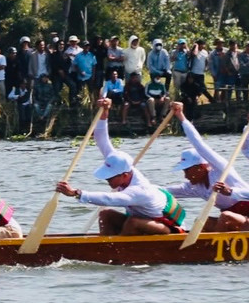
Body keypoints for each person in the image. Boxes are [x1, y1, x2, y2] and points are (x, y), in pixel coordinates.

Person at [56, 98, 187, 236]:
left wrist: (76, 193)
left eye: (110, 177)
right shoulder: (119, 164)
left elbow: (109, 199)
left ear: (124, 176)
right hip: (146, 220)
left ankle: (118, 249)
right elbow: (101, 140)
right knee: (106, 214)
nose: (107, 179)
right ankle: (106, 246)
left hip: (169, 229)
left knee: (133, 222)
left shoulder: (139, 190)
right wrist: (104, 113)